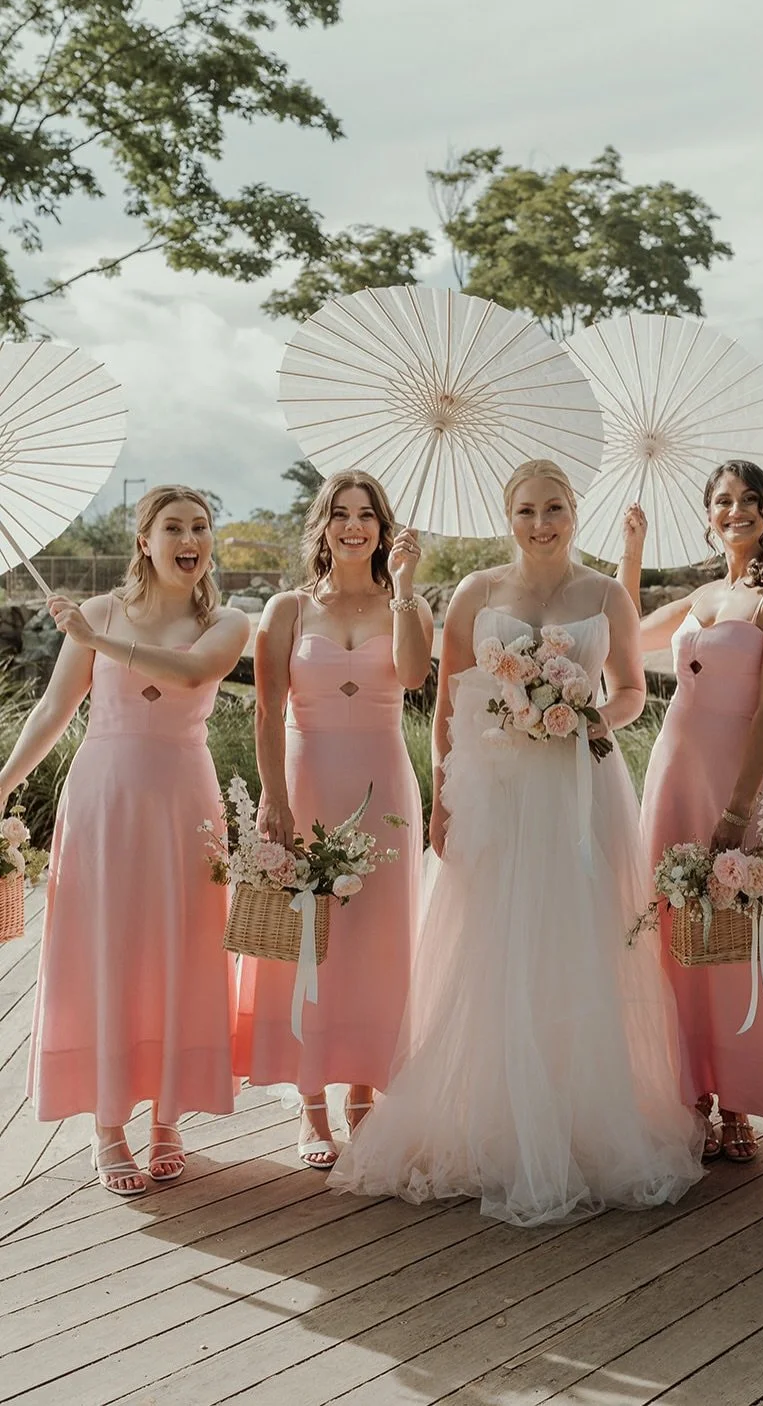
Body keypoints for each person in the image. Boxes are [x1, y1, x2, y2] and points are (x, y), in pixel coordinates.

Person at [327, 458, 704, 1225]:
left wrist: (587, 714)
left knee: (578, 943)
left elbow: (631, 690)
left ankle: (574, 1123)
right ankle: (490, 1123)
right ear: (508, 516)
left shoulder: (605, 596)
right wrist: (443, 791)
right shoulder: (476, 593)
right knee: (490, 946)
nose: (542, 522)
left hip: (577, 790)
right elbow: (445, 704)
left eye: (555, 508)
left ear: (574, 512)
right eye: (527, 509)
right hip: (493, 791)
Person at [1, 486, 249, 1195]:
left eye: (199, 526)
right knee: (106, 947)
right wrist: (5, 781)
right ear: (145, 540)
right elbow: (55, 709)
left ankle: (169, 1116)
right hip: (104, 796)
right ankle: (108, 1125)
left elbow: (193, 673)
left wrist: (97, 639)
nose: (188, 538)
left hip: (183, 798)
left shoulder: (229, 620)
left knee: (180, 945)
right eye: (172, 527)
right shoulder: (101, 611)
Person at [619, 463, 763, 1159]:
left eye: (747, 500)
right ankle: (688, 1095)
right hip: (675, 776)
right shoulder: (702, 593)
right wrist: (634, 553)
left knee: (742, 937)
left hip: (744, 780)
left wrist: (738, 807)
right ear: (707, 514)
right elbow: (623, 638)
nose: (735, 511)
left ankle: (737, 1099)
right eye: (722, 501)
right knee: (675, 940)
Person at [234, 471, 430, 1168]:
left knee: (378, 943)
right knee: (311, 939)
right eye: (340, 514)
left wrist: (405, 587)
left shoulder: (405, 604)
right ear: (321, 525)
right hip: (307, 781)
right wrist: (273, 796)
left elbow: (411, 677)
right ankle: (311, 1105)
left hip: (384, 791)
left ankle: (364, 1094)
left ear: (383, 527)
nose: (354, 527)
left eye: (366, 515)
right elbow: (264, 711)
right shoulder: (286, 609)